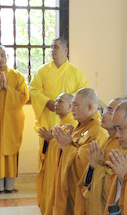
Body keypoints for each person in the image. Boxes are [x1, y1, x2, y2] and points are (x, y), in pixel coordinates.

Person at [32, 88, 107, 215]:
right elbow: (75, 150)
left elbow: (85, 162)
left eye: (76, 105)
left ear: (90, 107)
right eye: (72, 105)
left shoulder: (97, 130)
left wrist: (67, 146)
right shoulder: (81, 126)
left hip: (84, 190)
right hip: (71, 186)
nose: (72, 109)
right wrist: (67, 144)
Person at [30, 38, 88, 205]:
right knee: (47, 155)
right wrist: (45, 101)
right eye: (51, 47)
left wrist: (67, 105)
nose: (52, 50)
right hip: (49, 118)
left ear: (65, 50)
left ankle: (62, 197)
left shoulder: (76, 73)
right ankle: (47, 197)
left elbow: (83, 94)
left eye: (56, 47)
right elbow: (33, 89)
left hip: (69, 120)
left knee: (64, 154)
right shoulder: (42, 71)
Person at [80, 97, 124, 215]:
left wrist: (98, 167)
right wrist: (94, 166)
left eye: (110, 110)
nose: (103, 114)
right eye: (105, 110)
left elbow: (117, 184)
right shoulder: (108, 141)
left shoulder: (122, 146)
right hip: (97, 204)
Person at [0, 45, 29, 194]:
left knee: (10, 151)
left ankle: (9, 186)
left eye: (2, 55)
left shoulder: (17, 76)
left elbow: (24, 97)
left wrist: (8, 88)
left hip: (12, 121)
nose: (0, 59)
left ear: (7, 56)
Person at [36, 93, 75, 215]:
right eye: (56, 101)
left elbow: (67, 147)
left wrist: (51, 140)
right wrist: (49, 140)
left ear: (70, 106)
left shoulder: (71, 122)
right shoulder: (61, 122)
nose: (56, 104)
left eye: (60, 102)